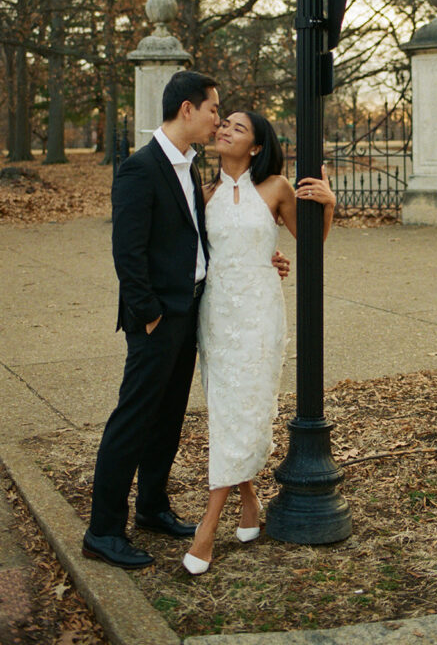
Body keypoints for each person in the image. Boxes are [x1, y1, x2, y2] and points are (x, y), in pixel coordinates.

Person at [82, 73, 289, 569]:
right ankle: (103, 531)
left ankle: (152, 508)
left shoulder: (191, 169)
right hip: (158, 318)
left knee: (168, 419)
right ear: (188, 110)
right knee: (132, 420)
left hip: (196, 311)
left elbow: (203, 239)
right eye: (214, 109)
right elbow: (127, 254)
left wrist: (266, 259)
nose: (219, 119)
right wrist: (149, 315)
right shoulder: (140, 168)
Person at [182, 110, 335, 575]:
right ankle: (248, 501)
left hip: (260, 313)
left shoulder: (276, 188)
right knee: (227, 410)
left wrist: (328, 204)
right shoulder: (202, 193)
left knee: (247, 406)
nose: (225, 129)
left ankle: (207, 529)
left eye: (237, 128)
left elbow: (309, 242)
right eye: (223, 122)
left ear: (255, 146)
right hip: (216, 313)